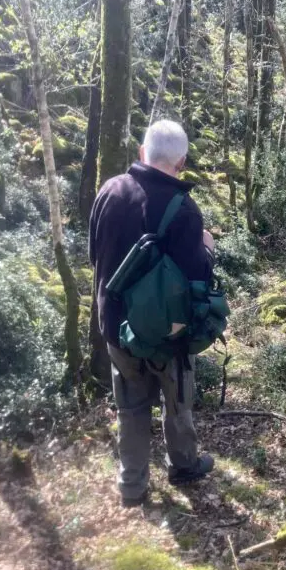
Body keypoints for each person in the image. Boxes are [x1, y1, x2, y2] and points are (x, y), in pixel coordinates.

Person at [89, 119, 215, 507]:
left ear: (142, 153)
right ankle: (183, 465)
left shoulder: (108, 192)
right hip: (169, 334)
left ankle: (132, 485)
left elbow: (95, 256)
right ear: (181, 162)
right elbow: (199, 278)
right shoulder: (185, 211)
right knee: (177, 401)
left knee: (130, 406)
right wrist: (208, 247)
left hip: (115, 325)